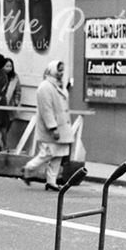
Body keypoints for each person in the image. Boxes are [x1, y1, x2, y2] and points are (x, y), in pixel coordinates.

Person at [21, 60, 74, 191]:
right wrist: (52, 127)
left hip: (62, 127)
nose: (61, 72)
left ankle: (51, 181)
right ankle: (28, 169)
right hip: (52, 128)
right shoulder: (45, 87)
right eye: (59, 70)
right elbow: (46, 109)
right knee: (47, 153)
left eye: (62, 70)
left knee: (58, 155)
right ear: (52, 70)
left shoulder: (59, 85)